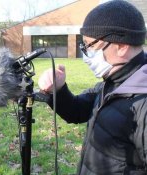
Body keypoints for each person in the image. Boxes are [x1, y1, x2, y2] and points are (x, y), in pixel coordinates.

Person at [38, 0, 147, 174]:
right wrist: (58, 90)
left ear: (121, 47)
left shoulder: (142, 100)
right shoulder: (113, 82)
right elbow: (78, 110)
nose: (86, 53)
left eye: (91, 45)